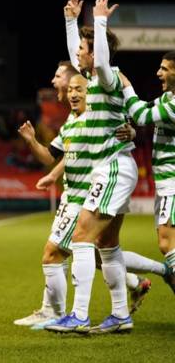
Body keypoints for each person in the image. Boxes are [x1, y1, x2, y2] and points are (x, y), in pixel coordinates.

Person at [17, 74, 164, 329]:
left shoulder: (99, 120)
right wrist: (32, 142)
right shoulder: (70, 124)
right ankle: (140, 282)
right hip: (73, 195)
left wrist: (130, 129)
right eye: (70, 88)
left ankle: (56, 312)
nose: (71, 93)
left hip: (87, 196)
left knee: (54, 253)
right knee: (103, 251)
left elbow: (123, 122)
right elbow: (50, 156)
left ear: (91, 93)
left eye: (78, 89)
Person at [46, 0, 138, 334]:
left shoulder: (108, 74)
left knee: (82, 237)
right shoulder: (93, 78)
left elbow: (97, 59)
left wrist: (98, 20)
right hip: (116, 168)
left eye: (84, 50)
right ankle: (120, 315)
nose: (77, 57)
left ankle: (79, 315)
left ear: (97, 52)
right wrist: (71, 20)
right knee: (107, 245)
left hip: (112, 167)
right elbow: (80, 55)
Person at [118, 51, 175, 292]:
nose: (158, 73)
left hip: (172, 181)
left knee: (167, 243)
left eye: (164, 68)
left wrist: (127, 85)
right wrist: (133, 133)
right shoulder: (167, 98)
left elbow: (140, 115)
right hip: (165, 183)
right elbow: (144, 115)